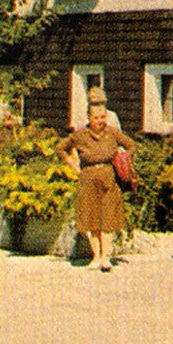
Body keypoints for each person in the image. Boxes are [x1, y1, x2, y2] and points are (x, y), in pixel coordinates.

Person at [57, 95, 136, 272]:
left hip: (109, 176)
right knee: (91, 219)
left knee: (108, 217)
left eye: (102, 118)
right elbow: (60, 148)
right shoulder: (80, 135)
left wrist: (123, 159)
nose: (100, 121)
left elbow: (131, 145)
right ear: (89, 118)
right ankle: (96, 256)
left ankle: (106, 257)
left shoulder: (112, 133)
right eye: (96, 118)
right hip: (88, 178)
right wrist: (72, 164)